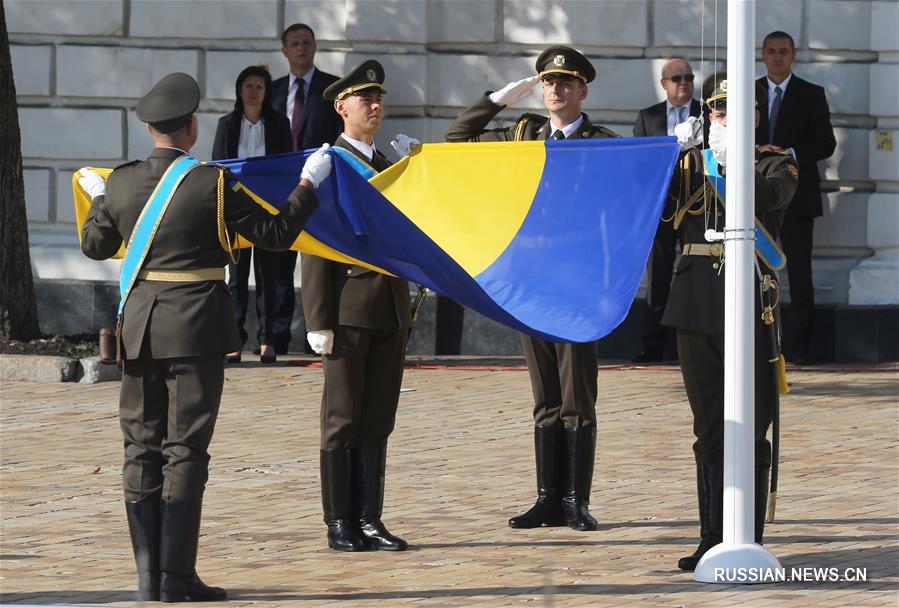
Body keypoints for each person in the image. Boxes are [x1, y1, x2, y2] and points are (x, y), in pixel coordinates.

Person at [78, 72, 330, 601]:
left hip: (140, 325)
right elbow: (279, 235)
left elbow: (97, 247)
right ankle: (177, 576)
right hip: (195, 325)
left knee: (139, 448)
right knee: (185, 449)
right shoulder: (213, 184)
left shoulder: (121, 182)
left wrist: (102, 199)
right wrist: (309, 184)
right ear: (191, 128)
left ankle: (148, 578)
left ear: (150, 128)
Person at [446, 46, 619, 532]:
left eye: (566, 83)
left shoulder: (602, 143)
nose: (555, 89)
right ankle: (547, 499)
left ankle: (575, 501)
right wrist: (496, 100)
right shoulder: (523, 133)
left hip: (580, 287)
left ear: (583, 90)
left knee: (577, 397)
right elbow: (457, 139)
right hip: (532, 285)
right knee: (545, 394)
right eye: (548, 82)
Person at [662, 76, 798, 571]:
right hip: (696, 301)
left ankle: (747, 535)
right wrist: (667, 157)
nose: (724, 119)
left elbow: (768, 197)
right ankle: (710, 537)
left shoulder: (775, 160)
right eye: (717, 111)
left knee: (751, 425)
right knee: (709, 427)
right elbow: (656, 210)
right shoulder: (691, 163)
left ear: (755, 117)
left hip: (750, 303)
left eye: (735, 112)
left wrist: (727, 160)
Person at [301, 60, 413, 552]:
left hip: (390, 307)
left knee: (378, 416)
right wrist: (318, 317)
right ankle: (339, 522)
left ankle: (370, 517)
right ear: (340, 106)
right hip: (347, 310)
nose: (375, 105)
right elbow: (316, 242)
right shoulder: (331, 164)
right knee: (343, 416)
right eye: (364, 99)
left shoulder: (390, 166)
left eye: (379, 98)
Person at [259, 23, 342, 358]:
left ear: (315, 46)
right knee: (278, 265)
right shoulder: (272, 91)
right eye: (294, 43)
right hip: (280, 190)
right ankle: (276, 337)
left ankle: (319, 334)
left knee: (319, 264)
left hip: (320, 191)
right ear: (284, 50)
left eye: (307, 42)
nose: (301, 48)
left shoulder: (331, 89)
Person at [755, 30, 836, 363]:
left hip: (798, 198)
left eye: (783, 51)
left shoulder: (811, 94)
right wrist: (756, 149)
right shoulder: (749, 90)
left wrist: (787, 151)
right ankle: (760, 343)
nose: (777, 57)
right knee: (757, 270)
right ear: (762, 55)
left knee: (800, 272)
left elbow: (825, 144)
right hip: (756, 196)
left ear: (794, 55)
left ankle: (801, 347)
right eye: (771, 51)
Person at [212, 65, 292, 364]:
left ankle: (267, 339)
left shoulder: (279, 124)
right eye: (249, 86)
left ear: (266, 92)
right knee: (236, 278)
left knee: (268, 276)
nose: (254, 92)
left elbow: (285, 167)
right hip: (236, 208)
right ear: (239, 90)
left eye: (259, 86)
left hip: (268, 208)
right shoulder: (227, 124)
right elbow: (218, 165)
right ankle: (233, 339)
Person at [632, 58, 702, 363]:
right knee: (658, 274)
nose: (683, 82)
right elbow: (639, 163)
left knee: (696, 274)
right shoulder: (648, 117)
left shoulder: (707, 113)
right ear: (664, 83)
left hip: (698, 204)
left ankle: (695, 342)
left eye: (687, 76)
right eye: (676, 78)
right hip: (661, 207)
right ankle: (653, 345)